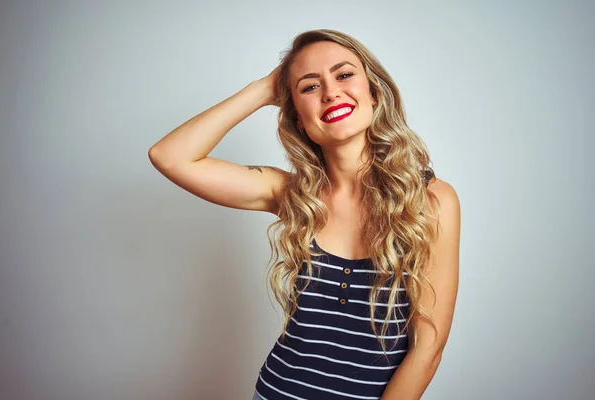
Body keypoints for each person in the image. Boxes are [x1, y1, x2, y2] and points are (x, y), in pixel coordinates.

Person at [149, 29, 460, 400]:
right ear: (297, 116)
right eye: (309, 87)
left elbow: (428, 348)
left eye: (344, 75)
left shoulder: (430, 200)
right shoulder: (294, 195)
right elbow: (170, 156)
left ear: (374, 93)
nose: (330, 92)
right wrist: (264, 88)